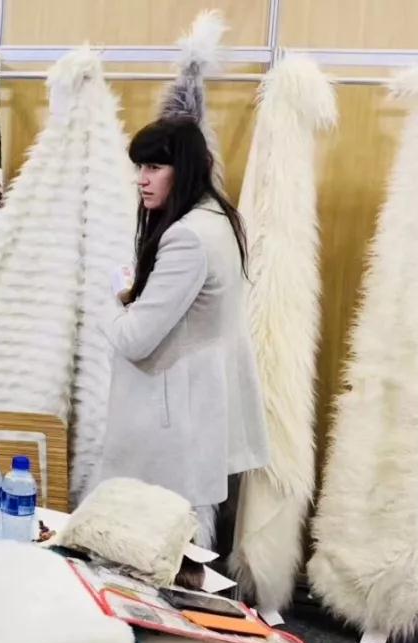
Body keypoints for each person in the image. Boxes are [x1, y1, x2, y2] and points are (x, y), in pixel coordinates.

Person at [97, 117, 269, 548]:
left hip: (172, 414)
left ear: (185, 168)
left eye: (154, 167)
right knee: (176, 539)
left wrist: (106, 300)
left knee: (154, 545)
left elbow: (135, 339)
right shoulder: (220, 220)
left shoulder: (187, 237)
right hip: (195, 402)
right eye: (140, 167)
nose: (142, 179)